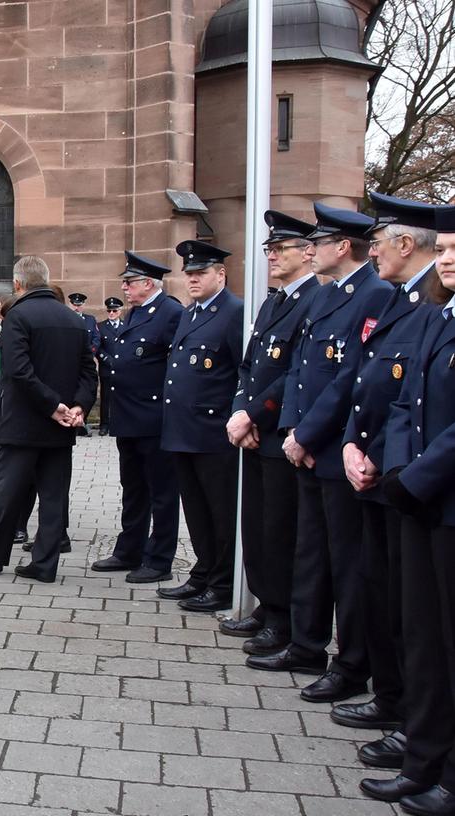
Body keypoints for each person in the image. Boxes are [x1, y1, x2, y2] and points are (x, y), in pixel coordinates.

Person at [254, 204, 392, 707]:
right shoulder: (327, 296)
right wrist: (292, 428)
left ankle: (352, 663)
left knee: (347, 564)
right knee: (310, 552)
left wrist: (307, 434)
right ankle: (307, 644)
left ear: (344, 248)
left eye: (320, 243)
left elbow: (349, 378)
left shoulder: (373, 295)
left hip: (335, 449)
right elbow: (298, 370)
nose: (309, 251)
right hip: (307, 445)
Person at [360, 203, 455, 816]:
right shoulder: (437, 317)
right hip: (420, 500)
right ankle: (423, 759)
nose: (447, 262)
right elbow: (403, 402)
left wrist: (412, 478)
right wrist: (397, 472)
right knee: (422, 637)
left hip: (443, 501)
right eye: (443, 251)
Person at [337, 194, 439, 758]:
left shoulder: (429, 301)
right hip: (377, 466)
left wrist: (389, 461)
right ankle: (392, 697)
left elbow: (414, 394)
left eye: (376, 242)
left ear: (406, 244)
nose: (368, 251)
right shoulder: (401, 297)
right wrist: (355, 441)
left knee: (413, 609)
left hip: (407, 477)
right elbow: (372, 382)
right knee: (382, 589)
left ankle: (412, 718)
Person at [0, 256, 97, 582]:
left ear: (18, 284)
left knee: (8, 492)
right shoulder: (73, 319)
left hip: (21, 422)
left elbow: (17, 370)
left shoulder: (18, 315)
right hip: (59, 427)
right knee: (53, 495)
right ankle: (44, 564)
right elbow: (88, 373)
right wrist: (77, 407)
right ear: (45, 280)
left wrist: (51, 406)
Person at [224, 210, 323, 660]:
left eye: (280, 249)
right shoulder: (273, 302)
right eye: (269, 249)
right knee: (259, 526)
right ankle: (267, 604)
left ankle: (284, 616)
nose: (272, 257)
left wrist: (254, 416)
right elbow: (250, 366)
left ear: (308, 252)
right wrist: (240, 411)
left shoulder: (314, 301)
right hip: (255, 431)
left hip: (280, 430)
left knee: (283, 530)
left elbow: (296, 373)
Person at [160, 240, 244, 613]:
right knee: (194, 509)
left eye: (200, 273)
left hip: (214, 433)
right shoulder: (190, 314)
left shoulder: (233, 313)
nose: (192, 279)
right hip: (183, 430)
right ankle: (203, 572)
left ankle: (223, 582)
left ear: (220, 274)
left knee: (219, 511)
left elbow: (244, 372)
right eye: (189, 274)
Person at [92, 252, 183, 583]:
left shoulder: (170, 312)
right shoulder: (135, 313)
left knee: (161, 491)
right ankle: (129, 549)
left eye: (129, 282)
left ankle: (159, 559)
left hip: (154, 418)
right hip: (128, 416)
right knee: (132, 488)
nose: (124, 287)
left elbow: (177, 365)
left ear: (148, 283)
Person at [96, 296, 123, 435]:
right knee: (106, 396)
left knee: (121, 396)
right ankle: (104, 424)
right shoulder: (101, 327)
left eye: (114, 311)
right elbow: (98, 348)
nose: (111, 313)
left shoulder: (126, 326)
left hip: (122, 368)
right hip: (107, 367)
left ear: (120, 311)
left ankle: (118, 423)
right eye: (109, 311)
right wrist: (107, 359)